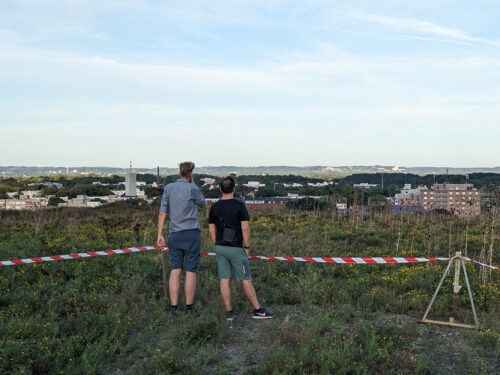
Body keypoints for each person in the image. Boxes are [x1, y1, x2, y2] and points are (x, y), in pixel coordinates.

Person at [208, 176, 273, 321]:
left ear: (220, 188)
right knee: (245, 279)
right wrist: (247, 246)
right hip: (236, 247)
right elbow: (245, 228)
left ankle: (229, 313)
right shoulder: (239, 205)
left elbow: (211, 230)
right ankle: (257, 310)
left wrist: (217, 244)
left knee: (224, 279)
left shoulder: (214, 206)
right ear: (234, 189)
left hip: (219, 247)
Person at [157, 161, 206, 314]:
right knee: (190, 271)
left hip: (174, 234)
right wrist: (194, 184)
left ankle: (173, 307)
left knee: (175, 270)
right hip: (192, 233)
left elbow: (163, 212)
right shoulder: (193, 188)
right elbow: (203, 204)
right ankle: (189, 308)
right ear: (191, 173)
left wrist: (159, 234)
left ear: (179, 172)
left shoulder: (168, 188)